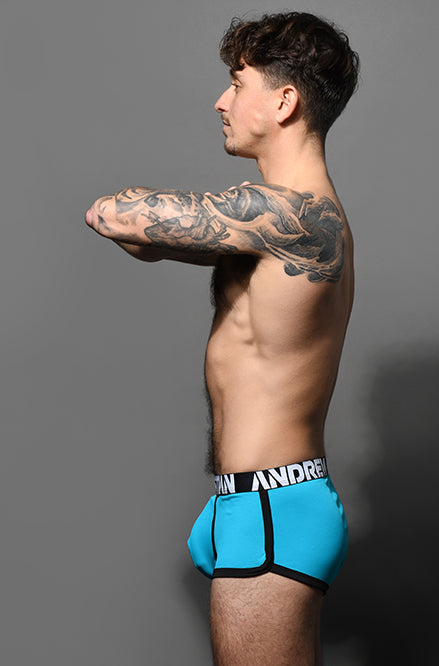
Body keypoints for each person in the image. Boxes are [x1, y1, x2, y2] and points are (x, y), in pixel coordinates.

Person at [85, 11, 359, 665]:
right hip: (251, 501)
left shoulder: (294, 218)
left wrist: (137, 214)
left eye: (237, 85)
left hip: (270, 507)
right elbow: (145, 241)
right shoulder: (271, 227)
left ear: (284, 102)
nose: (220, 102)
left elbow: (117, 215)